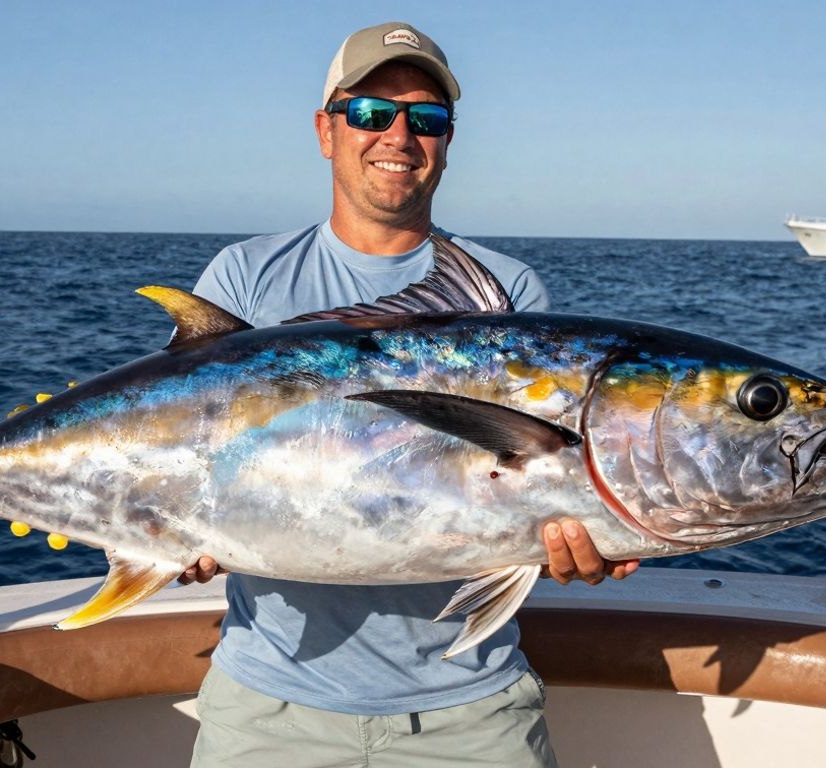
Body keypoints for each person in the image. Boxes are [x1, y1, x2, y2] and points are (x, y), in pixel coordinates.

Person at [180, 22, 639, 767]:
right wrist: (169, 534)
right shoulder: (245, 278)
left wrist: (589, 534)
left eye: (425, 118)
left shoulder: (509, 294)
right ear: (326, 131)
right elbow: (169, 449)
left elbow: (529, 497)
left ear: (448, 142)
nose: (398, 135)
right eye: (370, 112)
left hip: (473, 709)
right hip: (267, 709)